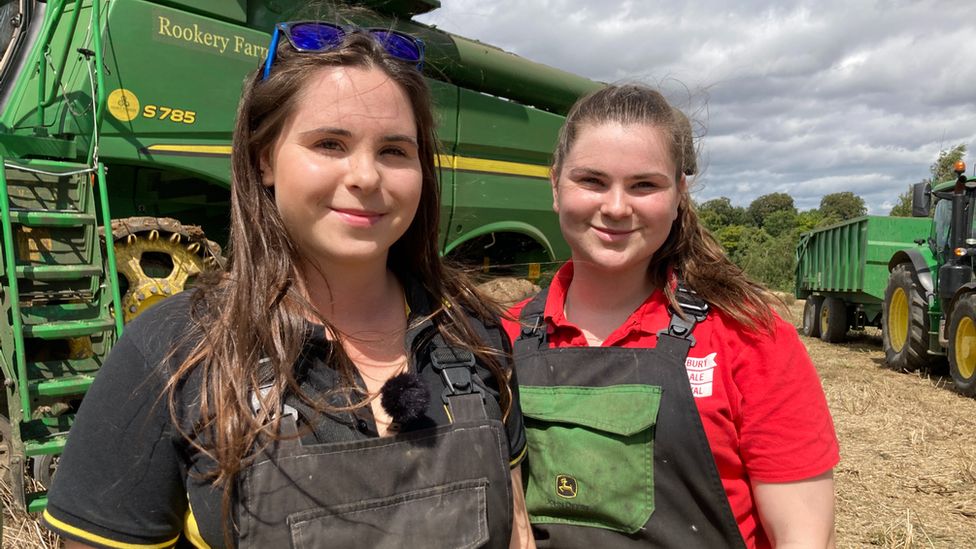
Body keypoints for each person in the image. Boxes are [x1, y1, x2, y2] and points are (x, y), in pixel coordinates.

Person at [41, 22, 534, 549]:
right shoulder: (169, 352)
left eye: (394, 150)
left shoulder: (469, 331)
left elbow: (517, 530)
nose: (366, 176)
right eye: (329, 143)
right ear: (264, 158)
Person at [503, 84, 839, 548]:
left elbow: (803, 536)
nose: (616, 207)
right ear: (555, 185)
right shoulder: (497, 336)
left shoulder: (748, 336)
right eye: (592, 181)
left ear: (680, 193)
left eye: (644, 185)